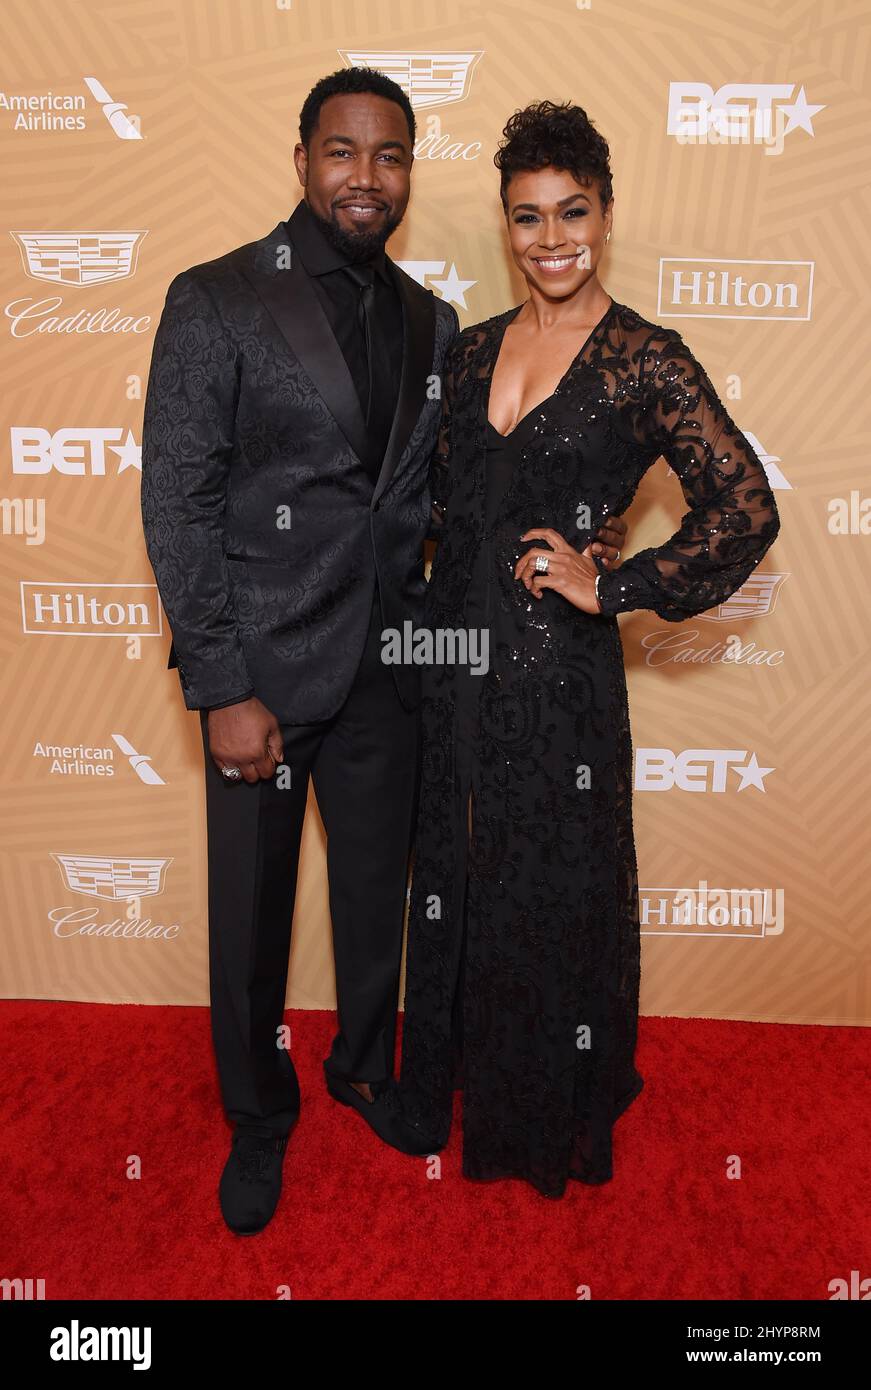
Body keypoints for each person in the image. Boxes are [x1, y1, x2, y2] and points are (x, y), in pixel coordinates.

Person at [140, 70, 628, 1234]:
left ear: (411, 169)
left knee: (376, 900)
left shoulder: (431, 323)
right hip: (259, 674)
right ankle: (260, 1111)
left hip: (389, 668)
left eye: (391, 155)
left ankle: (363, 1063)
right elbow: (176, 501)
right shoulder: (215, 299)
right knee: (253, 914)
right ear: (302, 159)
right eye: (344, 152)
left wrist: (588, 525)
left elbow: (451, 492)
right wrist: (222, 684)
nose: (368, 176)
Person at [397, 99, 782, 1198]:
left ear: (606, 216)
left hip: (559, 680)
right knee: (458, 876)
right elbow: (437, 504)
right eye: (528, 217)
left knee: (552, 887)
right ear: (505, 223)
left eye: (572, 212)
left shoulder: (644, 361)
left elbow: (743, 507)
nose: (550, 237)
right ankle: (447, 1079)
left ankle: (542, 1110)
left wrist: (611, 582)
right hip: (456, 661)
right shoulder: (469, 353)